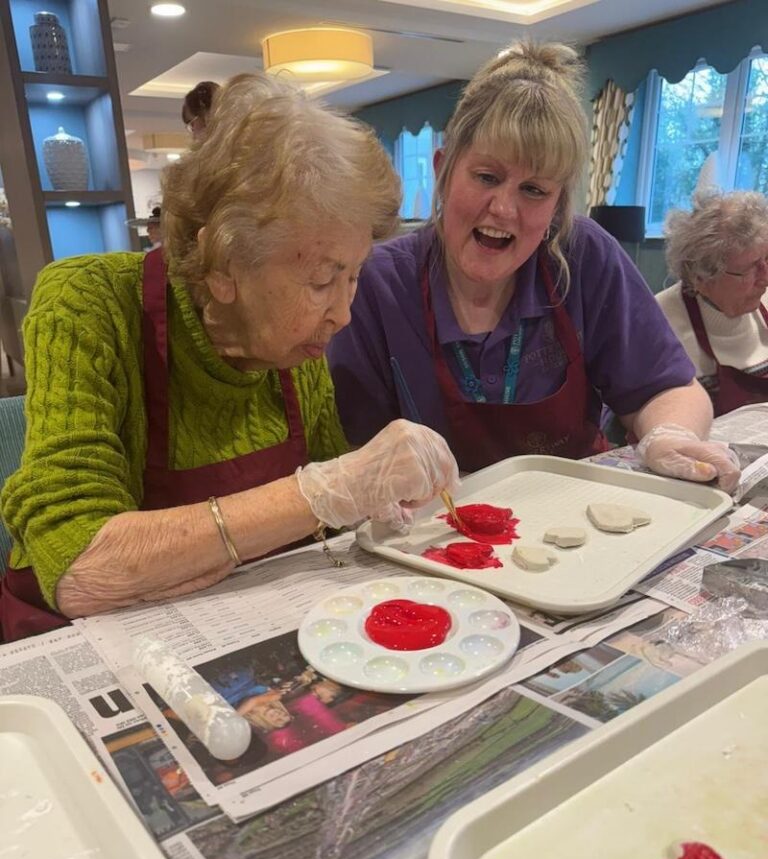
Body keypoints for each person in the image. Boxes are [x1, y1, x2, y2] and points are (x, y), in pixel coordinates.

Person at [0, 73, 458, 642]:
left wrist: (374, 493)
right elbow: (81, 568)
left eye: (355, 275)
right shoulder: (86, 305)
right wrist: (326, 489)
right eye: (321, 280)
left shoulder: (292, 342)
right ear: (221, 266)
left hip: (229, 623)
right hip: (78, 639)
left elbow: (326, 515)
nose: (343, 313)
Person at [328, 41, 740, 493]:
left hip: (575, 520)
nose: (503, 209)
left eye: (534, 190)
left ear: (558, 202)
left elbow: (668, 387)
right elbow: (351, 446)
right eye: (486, 177)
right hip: (434, 530)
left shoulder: (584, 257)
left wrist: (669, 435)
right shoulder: (375, 284)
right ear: (444, 170)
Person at [656, 190, 768, 416]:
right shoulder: (659, 323)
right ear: (701, 278)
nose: (765, 276)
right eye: (750, 269)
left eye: (767, 259)